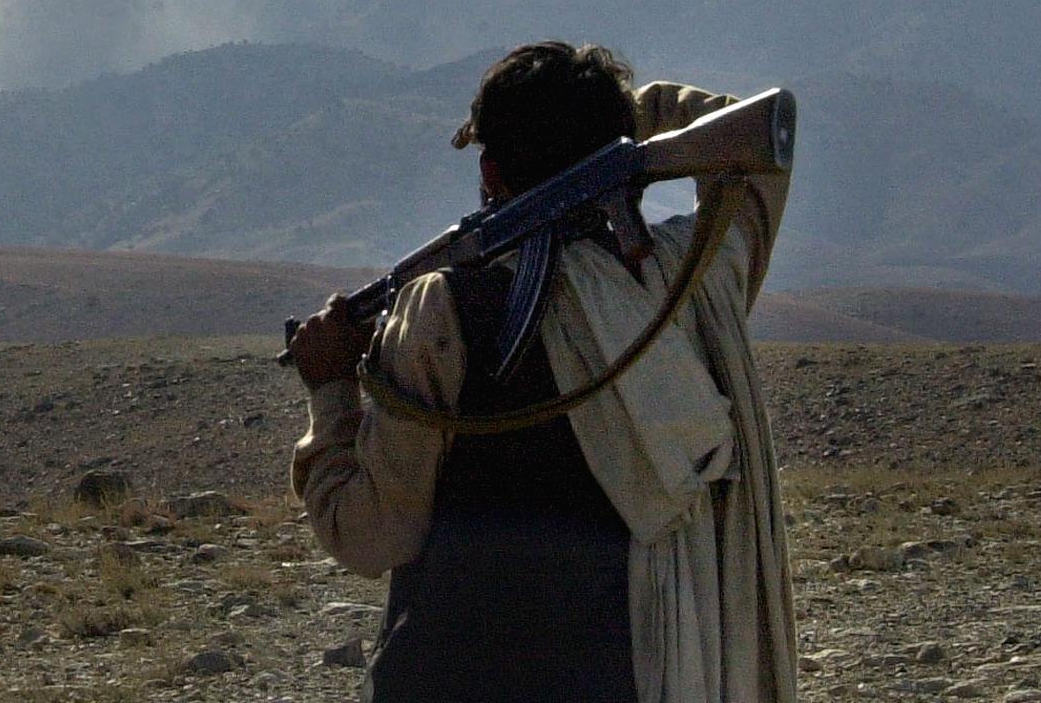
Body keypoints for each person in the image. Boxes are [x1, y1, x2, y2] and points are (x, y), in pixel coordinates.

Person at [289, 41, 796, 703]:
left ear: (492, 172)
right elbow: (752, 148)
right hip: (648, 675)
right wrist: (612, 135)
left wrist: (330, 390)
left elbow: (370, 535)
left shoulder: (442, 310)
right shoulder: (690, 279)